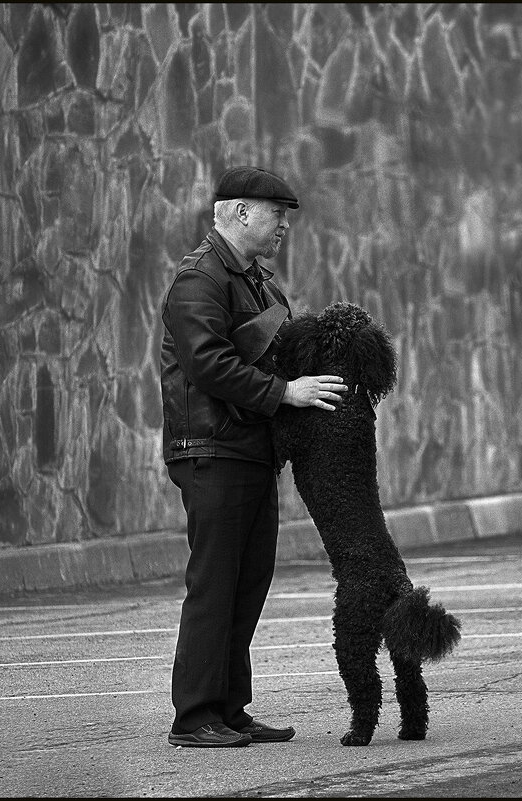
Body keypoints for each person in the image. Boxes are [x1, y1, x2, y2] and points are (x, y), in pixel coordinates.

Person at [160, 166, 347, 748]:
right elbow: (207, 363)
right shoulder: (200, 280)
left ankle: (229, 709)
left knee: (248, 583)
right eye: (276, 215)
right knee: (215, 582)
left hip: (248, 451)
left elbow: (275, 350)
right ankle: (194, 718)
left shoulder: (257, 283)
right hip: (211, 450)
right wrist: (285, 393)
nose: (284, 226)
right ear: (241, 213)